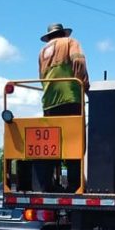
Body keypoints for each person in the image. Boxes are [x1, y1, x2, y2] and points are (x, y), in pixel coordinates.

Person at [33, 23, 89, 192]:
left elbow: (41, 77)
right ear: (63, 33)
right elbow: (78, 62)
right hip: (70, 97)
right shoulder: (70, 42)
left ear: (49, 37)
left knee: (53, 145)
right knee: (74, 142)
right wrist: (84, 85)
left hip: (49, 103)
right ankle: (75, 185)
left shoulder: (42, 52)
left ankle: (48, 184)